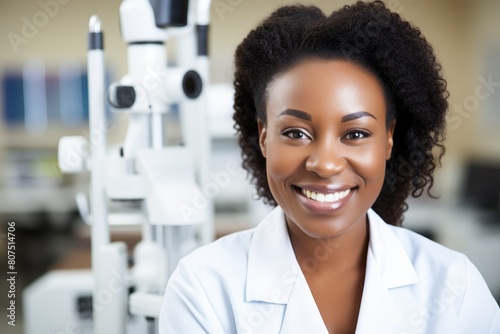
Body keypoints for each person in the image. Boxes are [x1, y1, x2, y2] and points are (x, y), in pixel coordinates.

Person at [159, 1, 500, 333]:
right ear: (264, 137)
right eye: (295, 132)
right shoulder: (202, 289)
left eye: (355, 133)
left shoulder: (456, 287)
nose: (324, 164)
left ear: (388, 138)